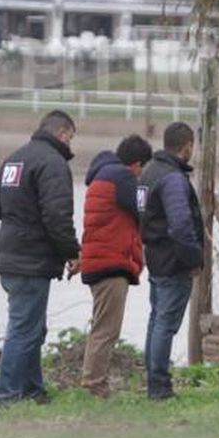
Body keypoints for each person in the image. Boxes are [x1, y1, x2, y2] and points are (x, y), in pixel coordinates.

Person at [0, 110, 80, 406]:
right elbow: (57, 216)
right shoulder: (53, 164)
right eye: (71, 137)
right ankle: (7, 395)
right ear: (63, 133)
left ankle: (32, 389)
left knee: (32, 327)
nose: (70, 143)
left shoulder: (15, 157)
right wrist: (72, 252)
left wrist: (18, 220)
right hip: (31, 259)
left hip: (9, 253)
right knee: (23, 328)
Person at [78, 134, 152, 398]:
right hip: (111, 263)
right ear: (137, 164)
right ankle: (94, 383)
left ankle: (94, 379)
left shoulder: (102, 176)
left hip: (99, 260)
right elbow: (143, 211)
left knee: (102, 325)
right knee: (107, 328)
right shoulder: (122, 178)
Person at [139, 122, 205, 400]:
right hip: (173, 261)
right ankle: (159, 385)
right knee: (166, 322)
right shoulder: (173, 179)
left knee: (157, 320)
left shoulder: (148, 172)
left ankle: (153, 379)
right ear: (187, 145)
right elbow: (180, 225)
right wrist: (193, 258)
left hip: (155, 257)